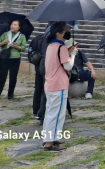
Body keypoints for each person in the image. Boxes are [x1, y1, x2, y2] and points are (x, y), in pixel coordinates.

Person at [42, 21, 75, 152]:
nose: (67, 31)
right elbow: (68, 66)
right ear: (59, 34)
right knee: (57, 114)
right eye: (65, 30)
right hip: (59, 85)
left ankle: (49, 138)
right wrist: (72, 55)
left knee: (50, 113)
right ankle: (50, 142)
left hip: (50, 83)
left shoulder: (51, 46)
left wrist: (68, 52)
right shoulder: (61, 48)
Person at [0, 19, 27, 100]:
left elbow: (23, 47)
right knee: (0, 76)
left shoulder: (22, 36)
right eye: (12, 24)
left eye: (15, 25)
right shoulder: (5, 34)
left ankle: (10, 94)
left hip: (15, 58)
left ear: (19, 27)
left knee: (13, 77)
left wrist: (17, 47)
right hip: (4, 58)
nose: (12, 26)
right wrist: (3, 43)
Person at [30, 25, 50, 117]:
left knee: (38, 88)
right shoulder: (48, 41)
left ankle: (36, 110)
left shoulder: (38, 39)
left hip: (38, 66)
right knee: (44, 90)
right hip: (46, 67)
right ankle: (42, 112)